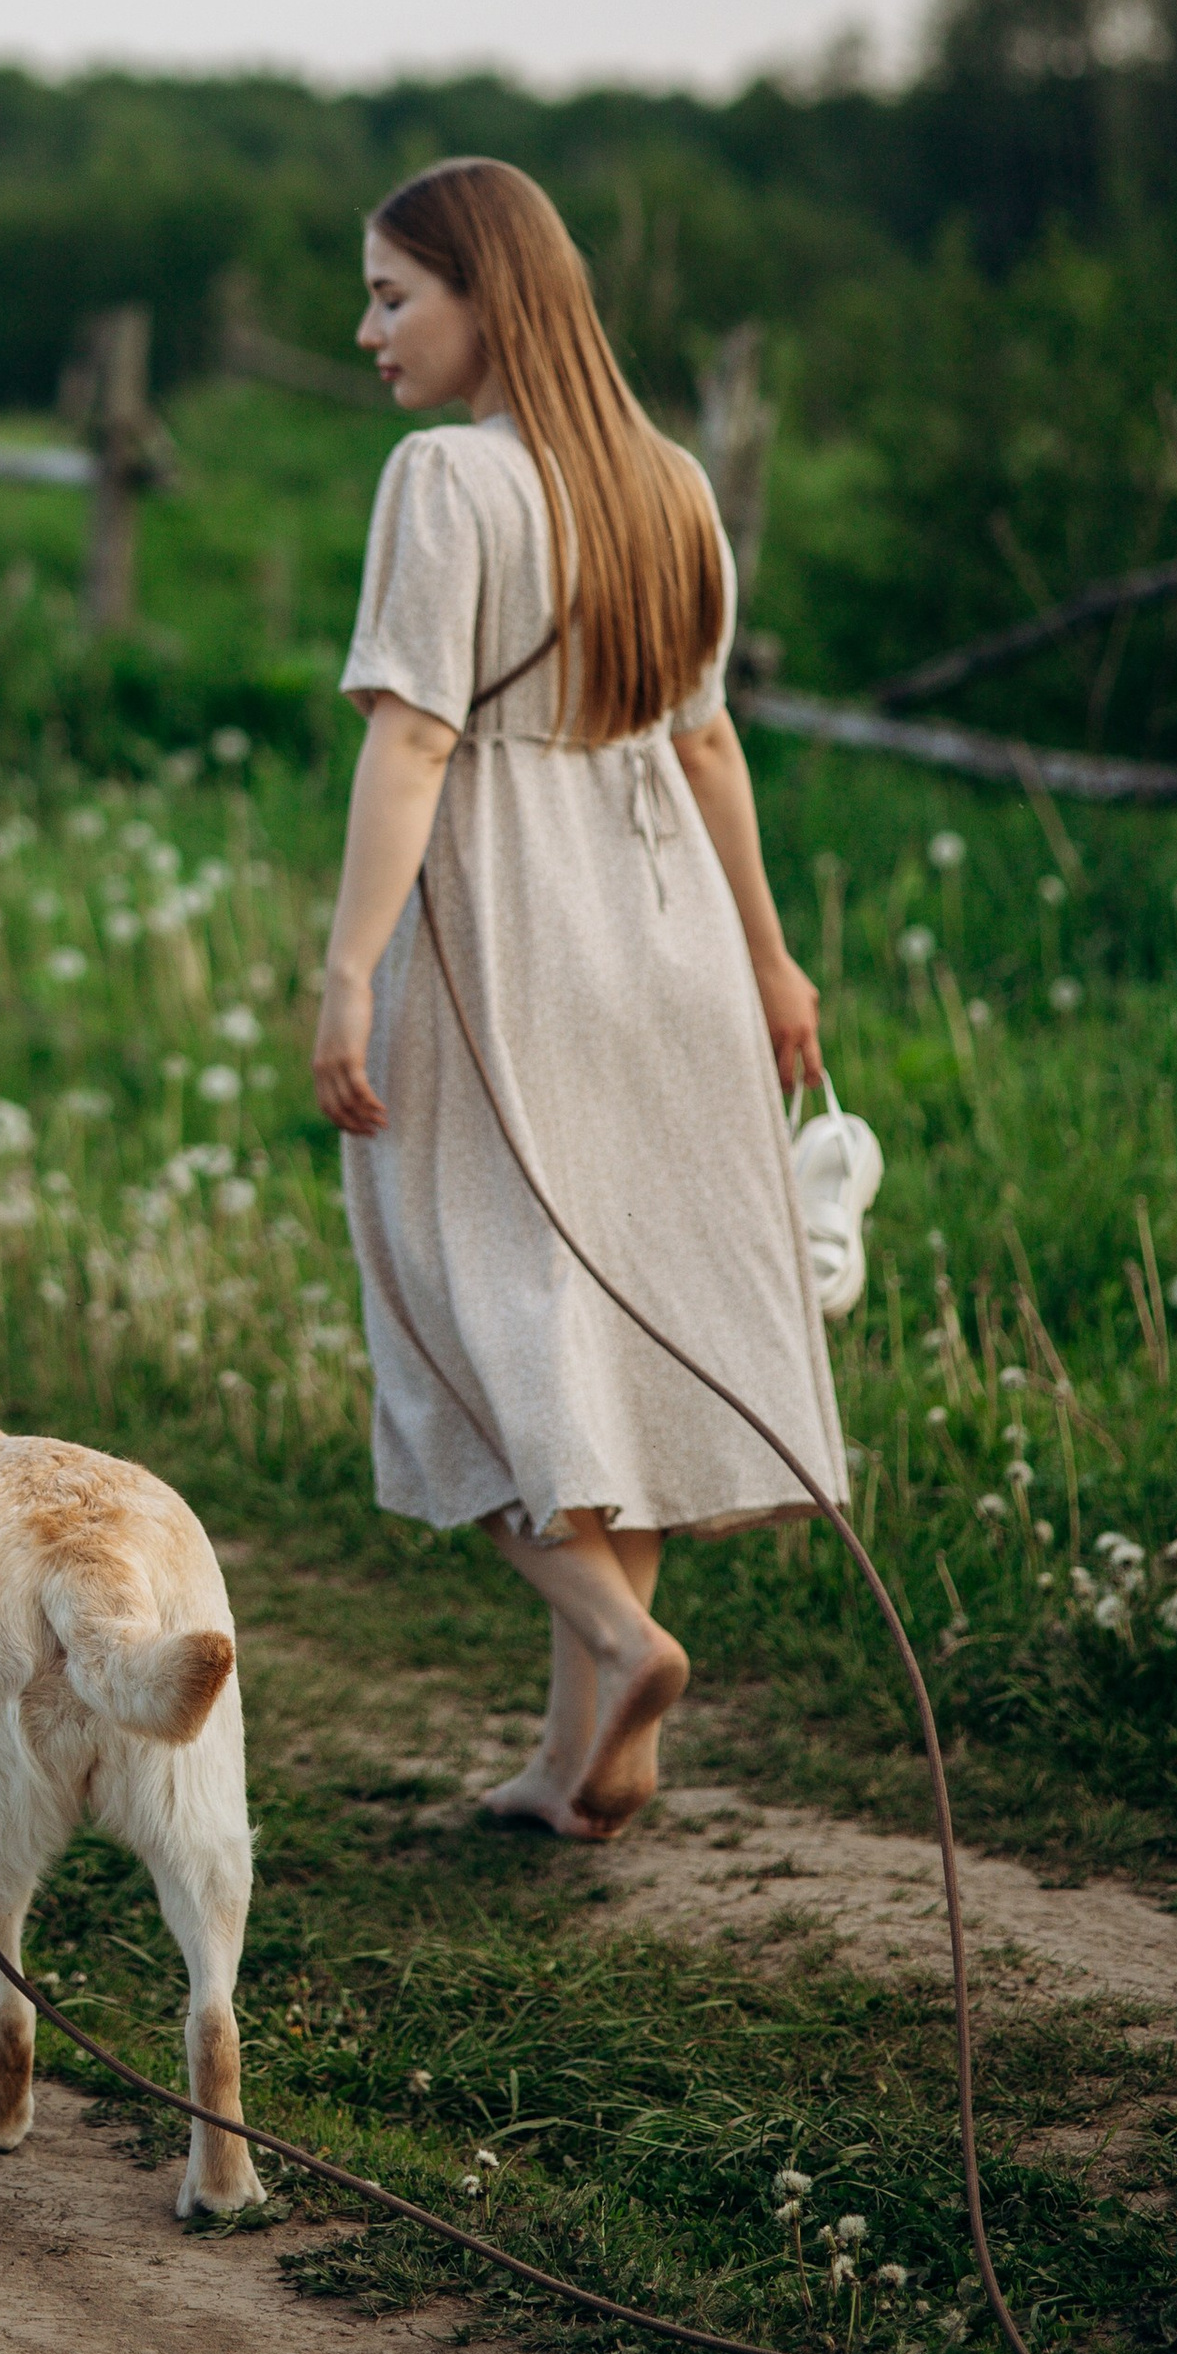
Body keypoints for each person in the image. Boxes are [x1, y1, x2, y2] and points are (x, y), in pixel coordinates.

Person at [310, 156, 846, 1842]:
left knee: (445, 1308)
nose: (370, 330)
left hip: (512, 931)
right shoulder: (670, 482)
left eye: (393, 295)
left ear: (487, 295)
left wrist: (346, 969)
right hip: (668, 934)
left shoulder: (443, 479)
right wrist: (769, 957)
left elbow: (416, 739)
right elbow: (708, 740)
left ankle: (620, 1639)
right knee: (603, 1324)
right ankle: (585, 1757)